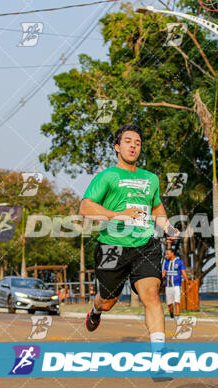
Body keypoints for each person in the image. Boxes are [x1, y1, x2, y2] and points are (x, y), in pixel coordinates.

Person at [79, 124, 180, 352]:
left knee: (152, 294)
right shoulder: (107, 176)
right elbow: (85, 207)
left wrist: (169, 228)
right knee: (107, 301)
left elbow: (156, 209)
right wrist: (116, 215)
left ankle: (159, 353)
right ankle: (95, 311)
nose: (133, 145)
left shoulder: (150, 179)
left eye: (137, 142)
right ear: (117, 147)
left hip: (144, 245)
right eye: (127, 141)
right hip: (111, 247)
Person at [162, 248, 189, 319]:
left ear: (172, 253)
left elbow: (183, 272)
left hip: (177, 285)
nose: (166, 255)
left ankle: (177, 316)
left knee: (177, 302)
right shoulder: (166, 262)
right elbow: (164, 273)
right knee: (169, 304)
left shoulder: (179, 262)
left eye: (168, 253)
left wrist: (187, 282)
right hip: (168, 286)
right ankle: (171, 314)